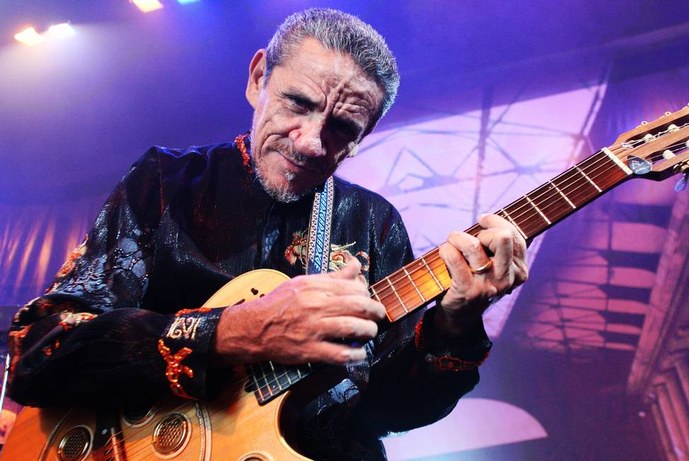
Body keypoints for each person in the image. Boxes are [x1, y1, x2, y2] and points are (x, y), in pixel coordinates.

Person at [7, 8, 528, 460]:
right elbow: (39, 350)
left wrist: (455, 324)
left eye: (342, 129)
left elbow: (388, 412)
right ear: (258, 78)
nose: (310, 142)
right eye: (298, 103)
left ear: (364, 136)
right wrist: (233, 332)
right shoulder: (167, 183)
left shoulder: (376, 223)